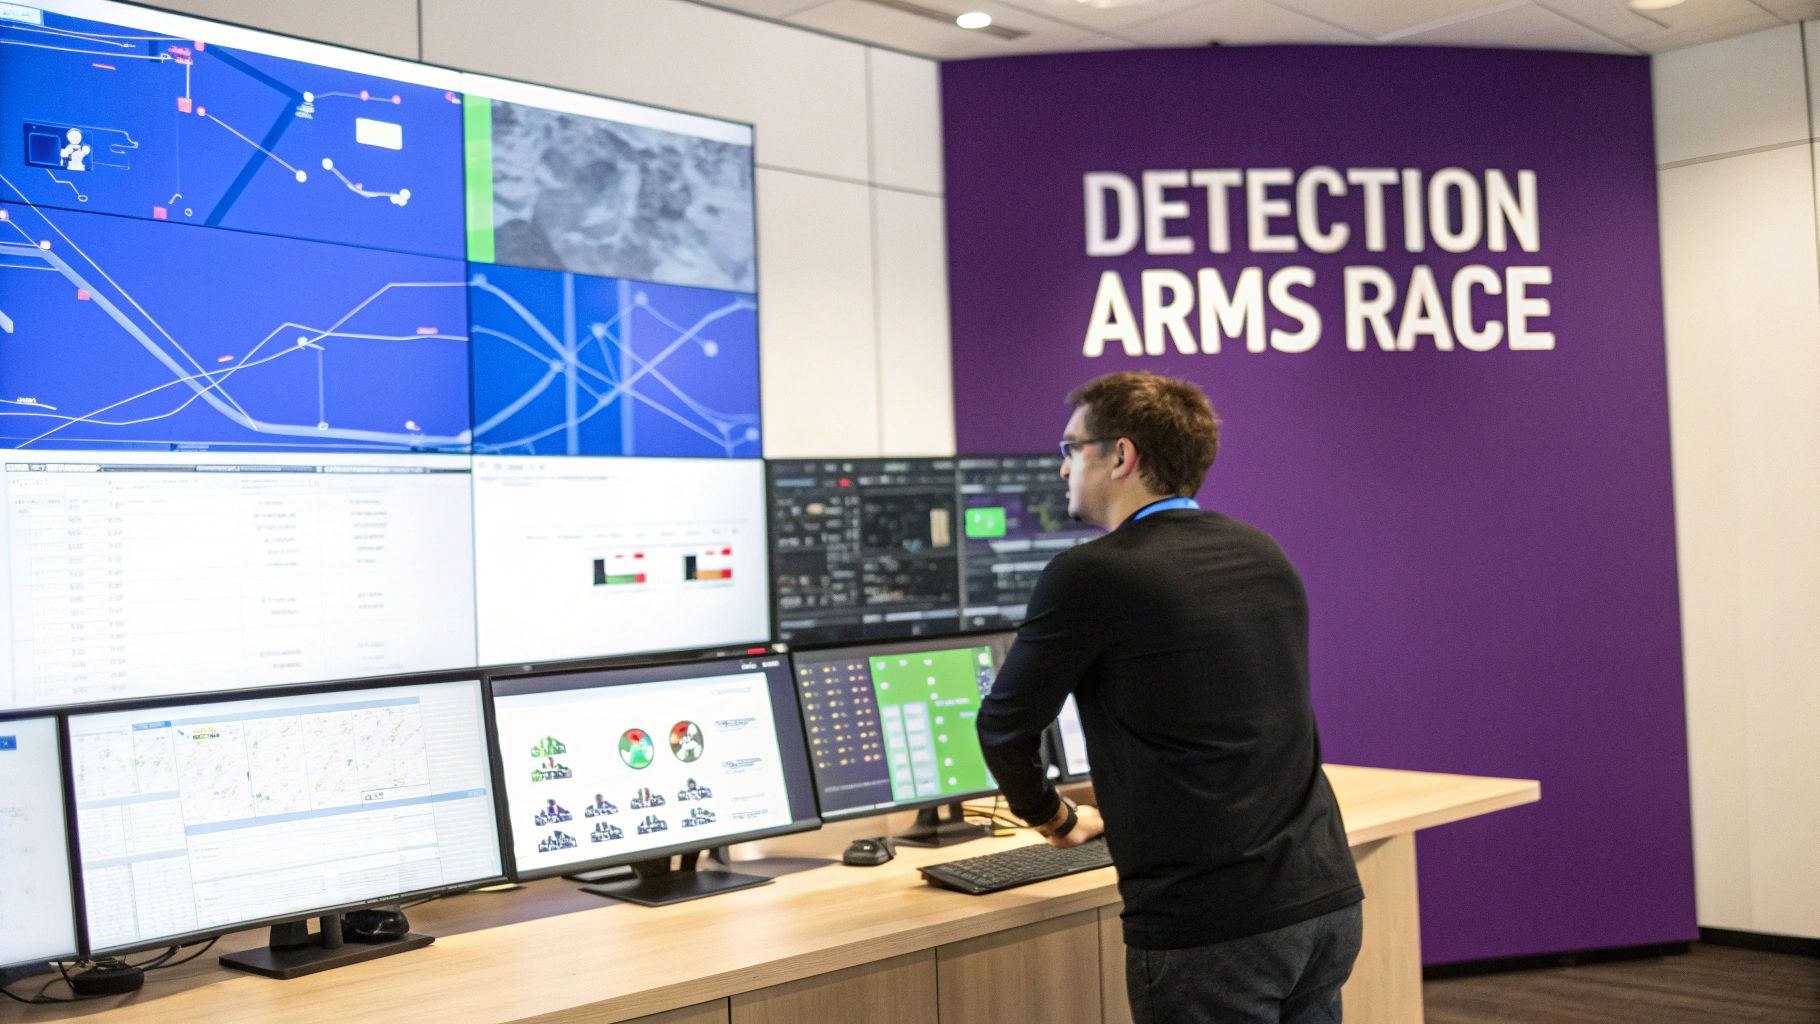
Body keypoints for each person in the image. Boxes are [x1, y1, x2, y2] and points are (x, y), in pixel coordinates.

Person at [977, 370, 1363, 1024]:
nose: (1063, 467)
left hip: (1212, 928)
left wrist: (1056, 820)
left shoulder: (1092, 574)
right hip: (1322, 900)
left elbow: (1005, 730)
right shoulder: (1262, 553)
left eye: (1072, 448)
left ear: (1120, 455)